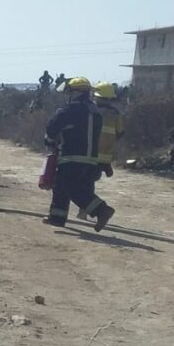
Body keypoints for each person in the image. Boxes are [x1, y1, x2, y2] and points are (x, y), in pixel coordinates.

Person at [44, 77, 115, 231]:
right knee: (61, 183)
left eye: (69, 92)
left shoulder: (69, 110)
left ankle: (101, 210)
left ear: (76, 92)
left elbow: (52, 128)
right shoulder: (95, 111)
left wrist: (50, 141)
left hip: (72, 155)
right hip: (90, 158)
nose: (68, 95)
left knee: (71, 187)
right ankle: (57, 217)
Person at [76, 82, 125, 219]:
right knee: (89, 182)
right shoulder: (116, 113)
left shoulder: (90, 110)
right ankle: (86, 210)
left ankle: (87, 209)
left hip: (88, 154)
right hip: (105, 157)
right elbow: (120, 132)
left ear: (96, 96)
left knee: (83, 183)